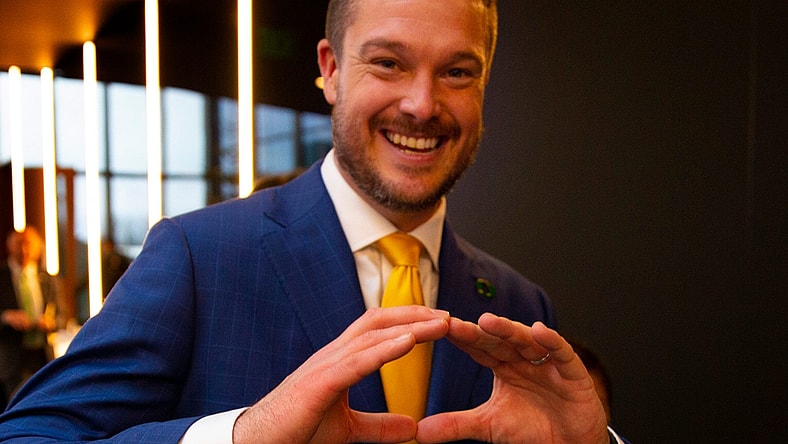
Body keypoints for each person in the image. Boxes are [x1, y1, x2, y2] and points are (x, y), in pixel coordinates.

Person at [0, 1, 626, 442]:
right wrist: (246, 435)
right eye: (388, 62)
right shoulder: (197, 256)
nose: (421, 103)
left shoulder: (517, 299)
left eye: (457, 72)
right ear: (329, 70)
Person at [0, 227, 60, 410]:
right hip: (10, 360)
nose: (24, 250)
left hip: (41, 357)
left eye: (29, 245)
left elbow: (60, 315)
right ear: (10, 247)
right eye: (19, 245)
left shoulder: (47, 279)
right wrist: (5, 317)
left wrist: (51, 322)